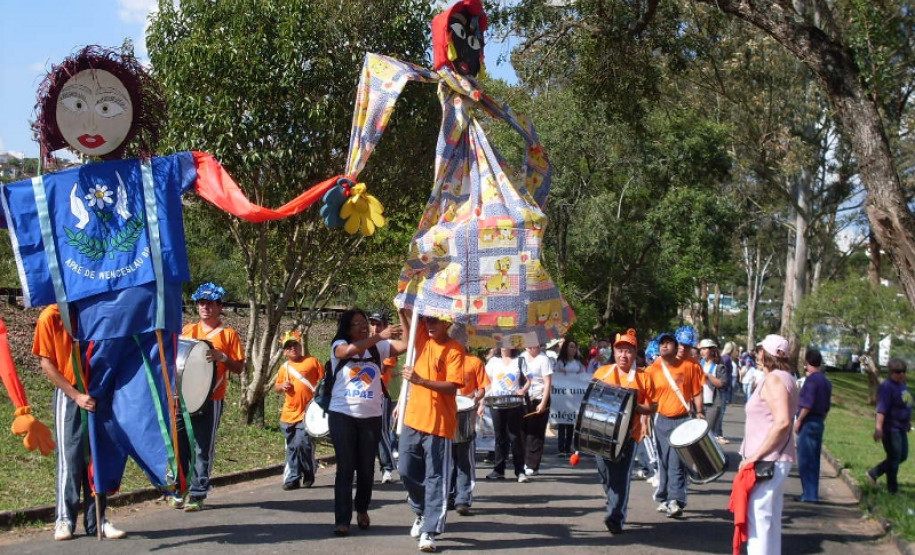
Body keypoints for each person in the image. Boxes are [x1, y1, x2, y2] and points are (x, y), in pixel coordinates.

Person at [33, 305, 125, 540]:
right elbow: (47, 363)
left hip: (98, 393)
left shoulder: (94, 310)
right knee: (70, 456)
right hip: (70, 394)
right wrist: (76, 396)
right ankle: (64, 520)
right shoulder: (50, 316)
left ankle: (98, 520)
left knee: (99, 457)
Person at [327, 309, 405, 536]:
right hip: (342, 414)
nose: (362, 326)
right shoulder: (339, 344)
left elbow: (407, 344)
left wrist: (404, 314)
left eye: (364, 323)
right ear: (347, 328)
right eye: (356, 323)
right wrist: (380, 336)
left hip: (371, 416)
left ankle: (362, 509)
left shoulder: (378, 348)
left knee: (366, 468)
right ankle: (342, 519)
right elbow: (347, 351)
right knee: (345, 468)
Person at [173, 282, 247, 511]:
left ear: (219, 306)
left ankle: (197, 492)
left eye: (209, 303)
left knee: (203, 447)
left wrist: (223, 357)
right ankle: (180, 487)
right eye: (201, 303)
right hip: (182, 399)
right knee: (180, 445)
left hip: (211, 399)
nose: (205, 307)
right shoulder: (187, 330)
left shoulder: (228, 334)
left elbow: (239, 367)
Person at [397, 311, 464, 552]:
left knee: (436, 477)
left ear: (447, 321)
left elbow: (452, 387)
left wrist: (420, 381)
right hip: (413, 418)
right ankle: (421, 509)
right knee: (404, 469)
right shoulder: (423, 338)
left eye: (435, 320)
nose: (430, 324)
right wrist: (403, 311)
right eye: (427, 320)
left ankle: (430, 530)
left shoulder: (455, 349)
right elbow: (410, 328)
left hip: (439, 423)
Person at [591, 329, 657, 534]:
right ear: (614, 351)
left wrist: (636, 407)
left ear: (634, 353)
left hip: (628, 436)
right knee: (605, 474)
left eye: (628, 351)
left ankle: (615, 516)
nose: (623, 355)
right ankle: (613, 501)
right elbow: (591, 401)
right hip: (601, 432)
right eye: (620, 351)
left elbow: (653, 407)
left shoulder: (644, 378)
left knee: (620, 477)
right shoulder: (602, 373)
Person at [738, 334, 798, 555]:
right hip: (775, 458)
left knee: (759, 518)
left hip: (768, 460)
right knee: (768, 519)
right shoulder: (785, 377)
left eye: (759, 349)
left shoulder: (775, 380)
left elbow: (782, 421)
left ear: (767, 353)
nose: (756, 353)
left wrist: (754, 456)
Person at [647, 327, 704, 518]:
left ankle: (676, 500)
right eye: (662, 343)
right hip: (661, 420)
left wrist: (700, 411)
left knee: (676, 462)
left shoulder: (689, 366)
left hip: (682, 420)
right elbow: (647, 395)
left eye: (668, 342)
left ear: (675, 345)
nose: (665, 346)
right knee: (663, 460)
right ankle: (664, 497)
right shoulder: (653, 368)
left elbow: (696, 391)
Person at [273, 330, 323, 490]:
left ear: (300, 346)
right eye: (289, 347)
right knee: (292, 447)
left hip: (307, 413)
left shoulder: (312, 362)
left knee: (303, 444)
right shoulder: (284, 368)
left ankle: (308, 471)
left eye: (295, 345)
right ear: (285, 351)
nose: (293, 348)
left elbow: (323, 381)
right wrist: (282, 386)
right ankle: (294, 478)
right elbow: (277, 386)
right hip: (288, 414)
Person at [450, 347, 490, 516]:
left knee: (464, 461)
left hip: (465, 416)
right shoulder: (444, 359)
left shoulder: (474, 361)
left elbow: (483, 387)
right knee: (447, 461)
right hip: (445, 415)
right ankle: (449, 495)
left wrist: (475, 399)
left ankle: (463, 499)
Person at [484, 347, 530, 482]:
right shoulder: (493, 361)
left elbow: (529, 379)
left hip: (514, 402)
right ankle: (498, 470)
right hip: (496, 402)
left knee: (514, 436)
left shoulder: (519, 361)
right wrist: (484, 398)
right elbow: (486, 381)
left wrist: (523, 390)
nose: (505, 346)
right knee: (499, 437)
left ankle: (520, 471)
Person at [866, 358, 911, 494]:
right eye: (898, 372)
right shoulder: (887, 387)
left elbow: (906, 405)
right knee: (894, 457)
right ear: (891, 372)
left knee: (902, 456)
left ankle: (873, 473)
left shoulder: (902, 385)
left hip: (901, 427)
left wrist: (907, 422)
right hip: (891, 428)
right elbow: (881, 409)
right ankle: (893, 489)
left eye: (903, 371)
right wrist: (878, 428)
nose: (901, 374)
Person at [794, 348, 831, 503]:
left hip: (808, 421)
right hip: (819, 421)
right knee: (815, 459)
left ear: (808, 362)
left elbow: (807, 404)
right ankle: (812, 492)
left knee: (805, 459)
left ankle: (808, 494)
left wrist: (799, 420)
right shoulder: (826, 381)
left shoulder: (811, 380)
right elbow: (827, 405)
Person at [369, 311, 398, 484]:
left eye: (379, 324)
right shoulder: (362, 343)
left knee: (381, 432)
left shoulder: (387, 346)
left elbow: (381, 371)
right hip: (363, 396)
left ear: (385, 326)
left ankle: (387, 468)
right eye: (372, 323)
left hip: (380, 394)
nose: (375, 327)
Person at [521, 344, 553, 476]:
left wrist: (543, 403)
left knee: (536, 432)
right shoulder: (521, 357)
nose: (529, 347)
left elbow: (547, 383)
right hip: (524, 397)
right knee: (523, 431)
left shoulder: (543, 359)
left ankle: (533, 464)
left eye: (532, 344)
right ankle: (523, 461)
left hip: (539, 397)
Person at [555, 338, 585, 456]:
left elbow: (584, 377)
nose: (572, 349)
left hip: (574, 397)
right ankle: (561, 448)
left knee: (571, 421)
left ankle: (568, 446)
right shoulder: (560, 362)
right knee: (562, 422)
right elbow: (554, 377)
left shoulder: (579, 364)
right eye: (570, 346)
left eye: (574, 347)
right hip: (562, 396)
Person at [697, 338, 730, 444]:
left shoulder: (719, 367)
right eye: (701, 349)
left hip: (713, 405)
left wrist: (709, 376)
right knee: (698, 433)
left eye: (705, 349)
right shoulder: (698, 365)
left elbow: (722, 384)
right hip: (698, 405)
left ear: (712, 351)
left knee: (707, 433)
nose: (702, 351)